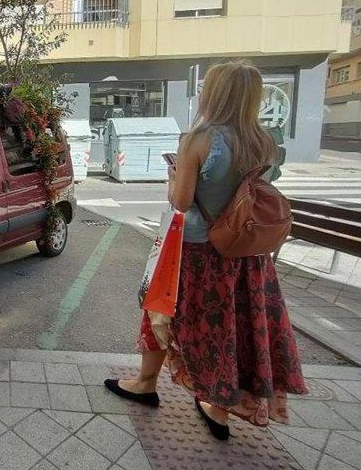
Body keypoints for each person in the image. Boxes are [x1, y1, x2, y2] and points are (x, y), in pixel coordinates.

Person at [104, 61, 307, 440]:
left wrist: (173, 176)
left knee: (161, 311)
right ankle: (218, 407)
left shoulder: (198, 139)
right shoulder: (264, 141)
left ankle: (145, 385)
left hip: (196, 251)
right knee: (230, 328)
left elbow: (181, 202)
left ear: (214, 94)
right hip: (245, 256)